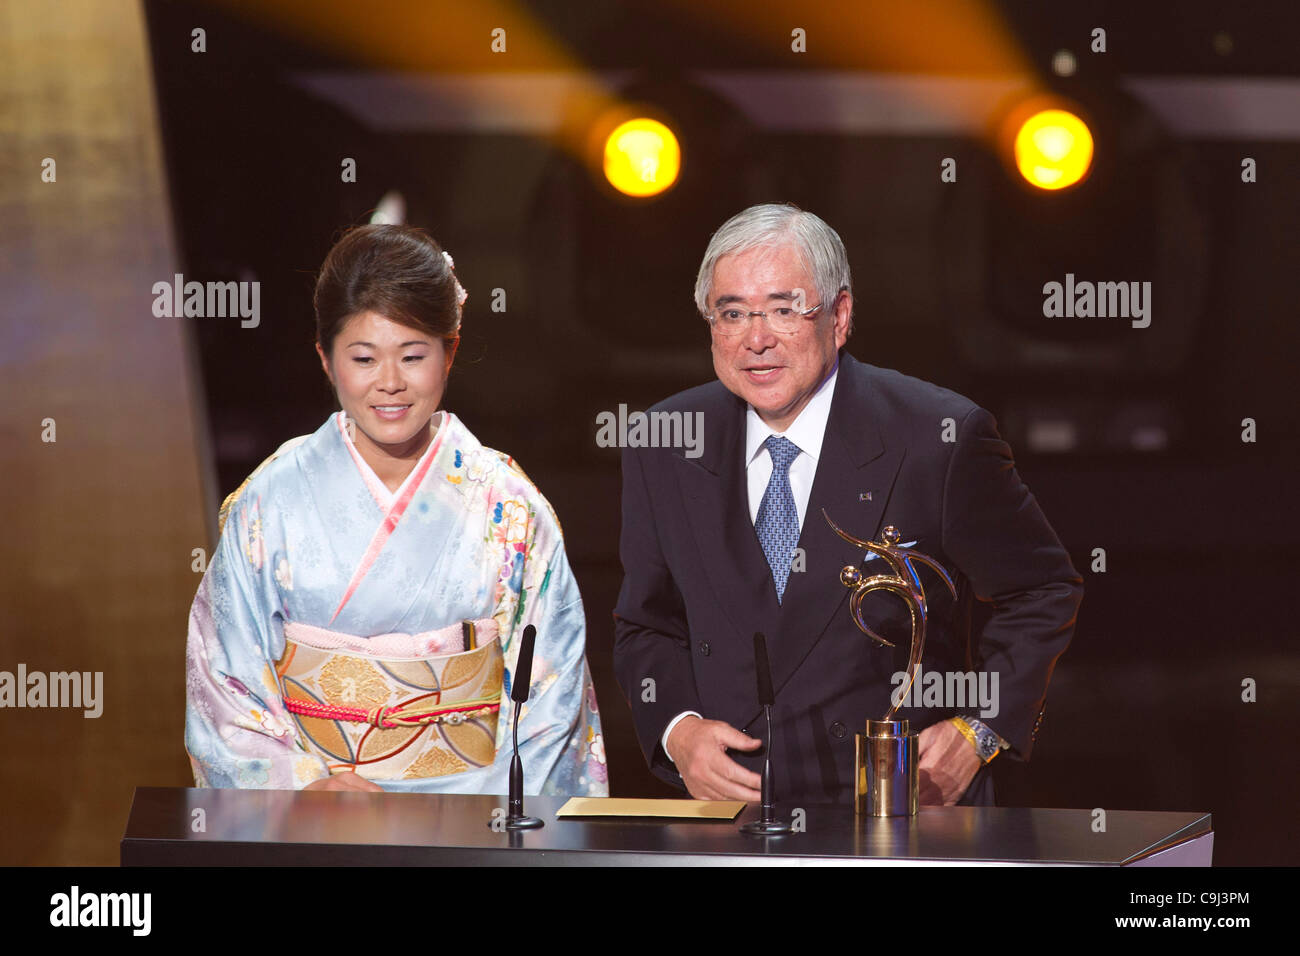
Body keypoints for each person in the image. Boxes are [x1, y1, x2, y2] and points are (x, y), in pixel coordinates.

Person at [612, 203, 1083, 807]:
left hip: (899, 810)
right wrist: (677, 733)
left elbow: (1044, 590)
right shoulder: (667, 441)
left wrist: (979, 731)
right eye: (732, 314)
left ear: (839, 315)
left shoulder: (936, 436)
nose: (756, 338)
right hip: (731, 818)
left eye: (784, 309)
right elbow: (646, 624)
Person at [186, 224, 607, 796]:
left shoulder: (508, 506)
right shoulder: (270, 501)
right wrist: (308, 791)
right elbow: (224, 684)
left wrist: (468, 821)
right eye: (363, 358)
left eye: (413, 355)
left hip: (473, 823)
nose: (389, 383)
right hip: (317, 823)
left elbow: (553, 697)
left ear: (450, 350)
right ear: (326, 360)